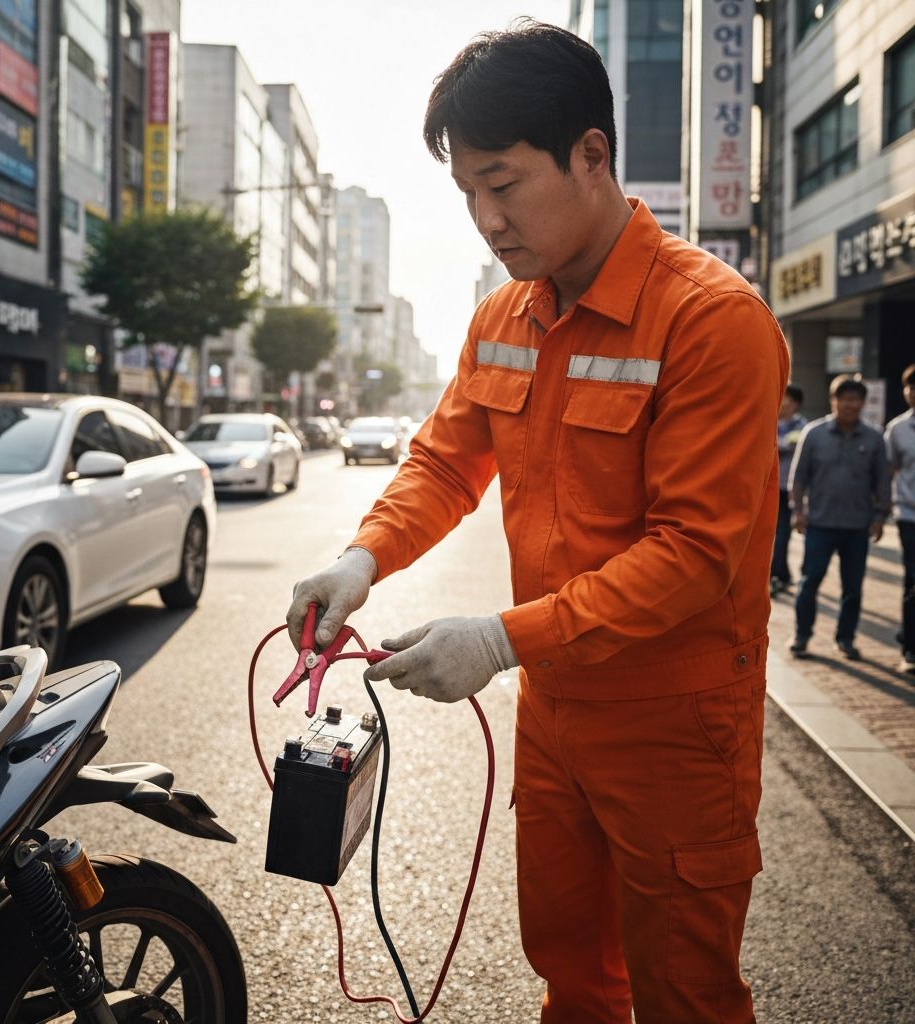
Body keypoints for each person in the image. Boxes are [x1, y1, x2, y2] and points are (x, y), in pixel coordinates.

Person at [287, 21, 787, 1024]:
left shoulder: (710, 319)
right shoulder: (503, 317)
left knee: (685, 991)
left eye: (503, 183)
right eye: (466, 191)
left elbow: (693, 556)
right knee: (570, 968)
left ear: (590, 155)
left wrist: (499, 639)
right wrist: (362, 556)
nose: (485, 218)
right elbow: (443, 462)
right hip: (556, 708)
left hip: (675, 721)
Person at [788, 375, 890, 661]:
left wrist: (880, 516)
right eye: (844, 398)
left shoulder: (874, 438)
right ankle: (801, 636)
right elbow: (798, 477)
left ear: (863, 403)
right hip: (819, 524)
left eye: (855, 399)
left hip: (857, 527)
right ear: (833, 401)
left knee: (852, 589)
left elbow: (882, 481)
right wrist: (798, 511)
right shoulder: (814, 434)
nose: (849, 404)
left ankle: (846, 638)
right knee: (809, 582)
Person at [885, 363, 915, 674]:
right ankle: (910, 647)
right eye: (910, 387)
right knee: (913, 582)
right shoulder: (897, 429)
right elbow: (889, 471)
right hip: (909, 516)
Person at [770, 384, 806, 595]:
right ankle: (781, 574)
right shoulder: (769, 419)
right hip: (767, 488)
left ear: (796, 404)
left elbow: (785, 445)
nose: (783, 403)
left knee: (782, 533)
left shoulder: (802, 426)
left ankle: (777, 575)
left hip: (787, 489)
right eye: (782, 398)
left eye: (788, 400)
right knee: (768, 533)